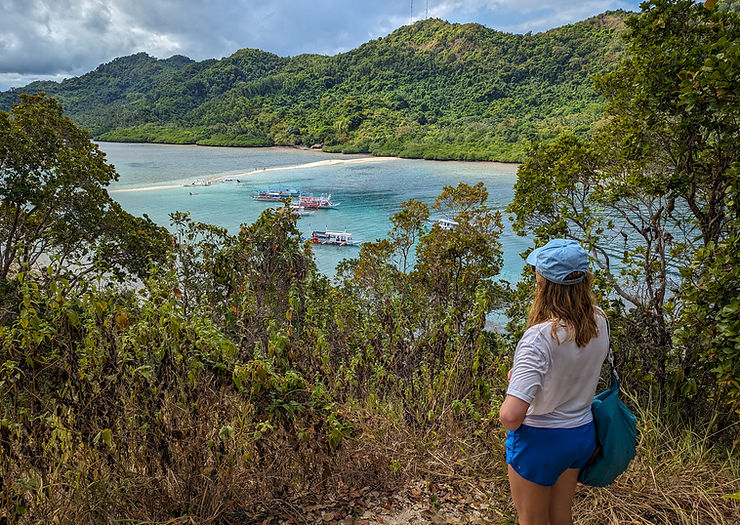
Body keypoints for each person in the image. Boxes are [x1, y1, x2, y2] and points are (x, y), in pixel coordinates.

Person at [499, 238, 609, 525]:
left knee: (532, 520)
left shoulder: (539, 337)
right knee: (561, 516)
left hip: (541, 441)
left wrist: (515, 385)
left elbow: (511, 417)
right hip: (581, 434)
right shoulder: (598, 320)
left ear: (544, 284)